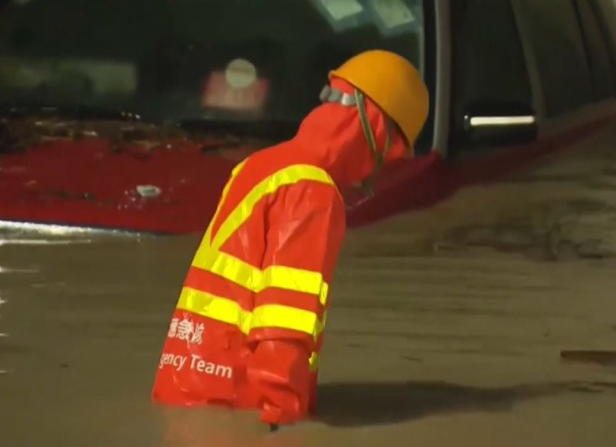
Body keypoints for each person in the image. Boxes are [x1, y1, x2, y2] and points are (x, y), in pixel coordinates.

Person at [151, 49, 429, 427]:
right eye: (393, 153)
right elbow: (284, 323)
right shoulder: (312, 190)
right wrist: (282, 425)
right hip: (240, 406)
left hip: (184, 388)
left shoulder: (261, 166)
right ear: (380, 134)